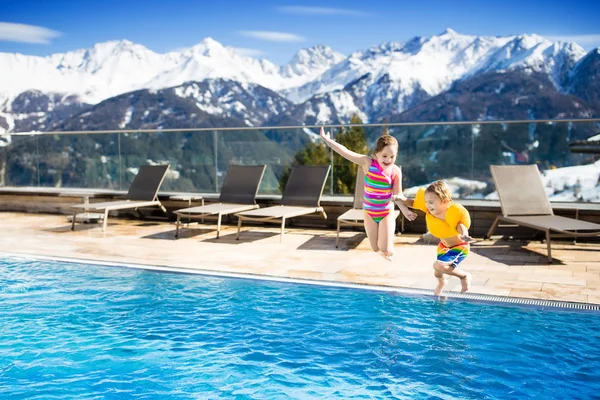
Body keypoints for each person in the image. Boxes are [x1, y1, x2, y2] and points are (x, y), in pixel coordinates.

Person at [320, 127, 417, 261]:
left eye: (392, 156)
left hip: (386, 212)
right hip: (369, 212)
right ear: (376, 154)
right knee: (375, 248)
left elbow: (398, 196)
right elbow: (346, 152)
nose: (388, 160)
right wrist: (328, 141)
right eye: (384, 156)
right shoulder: (367, 163)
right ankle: (384, 250)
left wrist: (406, 212)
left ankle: (389, 248)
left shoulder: (395, 171)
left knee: (385, 249)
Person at [396, 180, 473, 295]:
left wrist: (465, 234)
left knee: (438, 265)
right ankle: (442, 282)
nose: (427, 205)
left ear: (445, 201)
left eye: (431, 202)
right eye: (426, 201)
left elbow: (460, 225)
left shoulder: (449, 214)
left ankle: (464, 276)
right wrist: (399, 199)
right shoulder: (429, 209)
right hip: (443, 246)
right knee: (437, 271)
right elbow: (412, 203)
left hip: (459, 246)